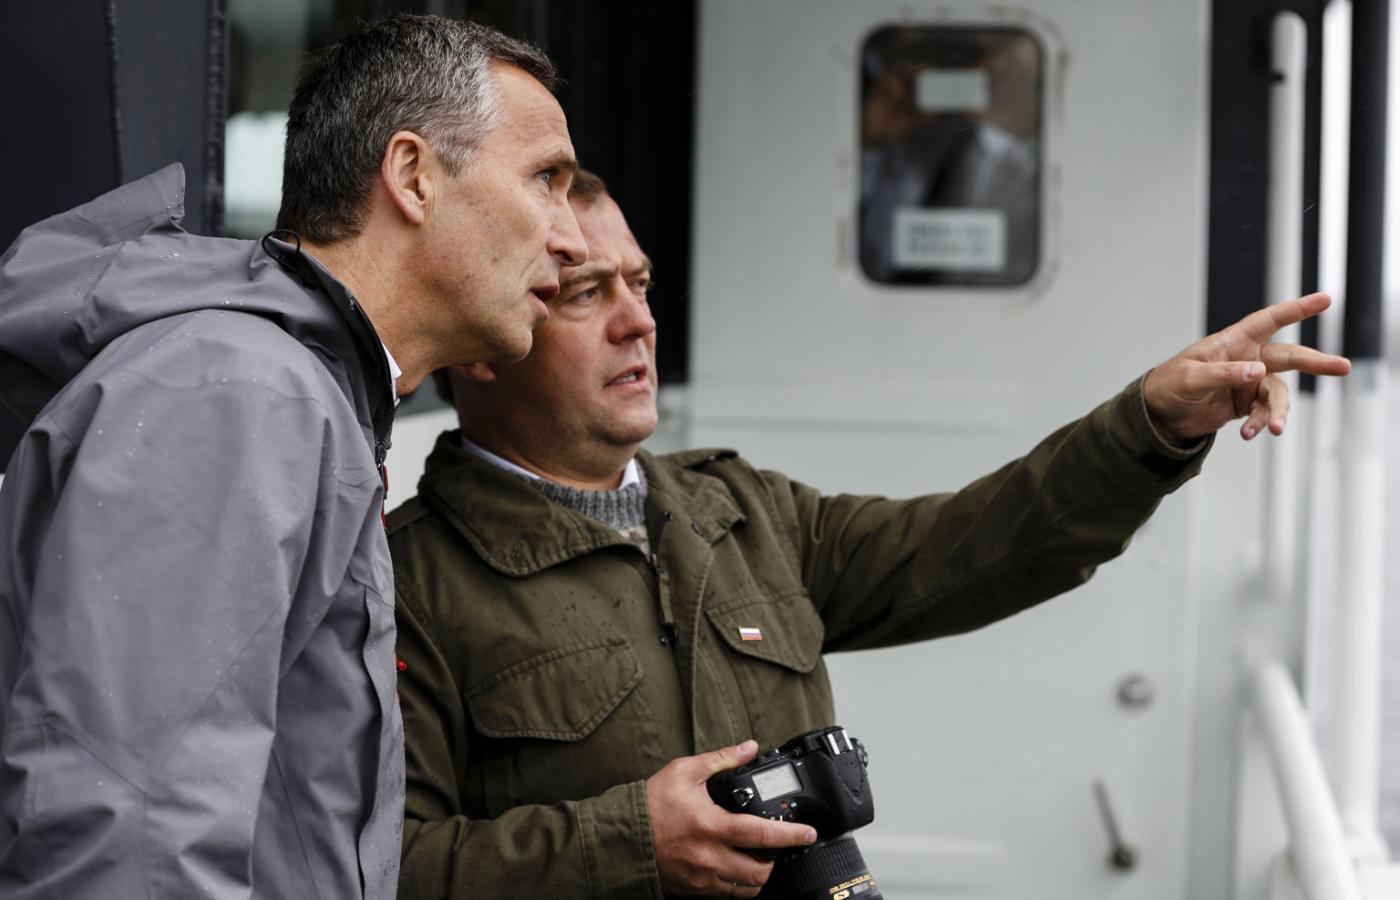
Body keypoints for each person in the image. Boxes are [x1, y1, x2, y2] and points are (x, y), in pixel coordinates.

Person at [387, 171, 1350, 899]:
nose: (637, 321)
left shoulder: (741, 511)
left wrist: (1151, 423)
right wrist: (629, 842)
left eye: (639, 283)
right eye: (583, 293)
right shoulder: (407, 583)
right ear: (485, 343)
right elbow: (378, 868)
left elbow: (984, 543)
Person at [0, 14, 584, 900]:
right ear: (413, 176)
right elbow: (129, 839)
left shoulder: (298, 392)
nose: (571, 239)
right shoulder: (237, 393)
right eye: (546, 179)